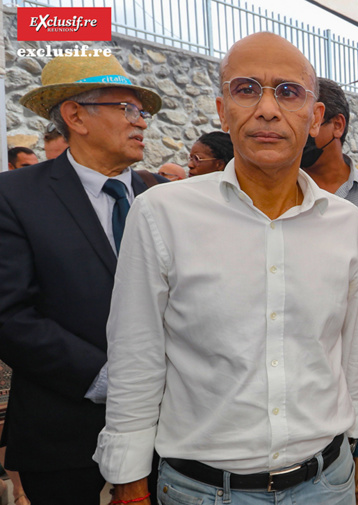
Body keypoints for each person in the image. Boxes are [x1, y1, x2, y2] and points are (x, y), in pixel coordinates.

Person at [94, 32, 358, 505]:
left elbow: (345, 345)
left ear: (315, 116)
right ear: (223, 110)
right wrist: (130, 478)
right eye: (246, 89)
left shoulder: (345, 221)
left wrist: (354, 431)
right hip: (201, 490)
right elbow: (135, 354)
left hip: (326, 482)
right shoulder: (162, 213)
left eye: (287, 91)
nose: (266, 109)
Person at [0, 52, 162, 504]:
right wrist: (113, 380)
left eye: (142, 112)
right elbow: (9, 315)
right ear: (75, 115)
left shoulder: (164, 198)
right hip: (64, 433)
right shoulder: (14, 196)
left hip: (169, 431)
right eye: (127, 110)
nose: (141, 124)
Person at [300, 78, 358, 355]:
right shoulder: (276, 194)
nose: (298, 133)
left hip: (346, 362)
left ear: (337, 125)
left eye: (309, 123)